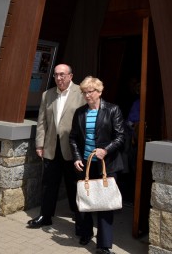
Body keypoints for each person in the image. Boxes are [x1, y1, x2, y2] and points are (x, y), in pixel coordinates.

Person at [69, 76, 125, 254]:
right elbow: (73, 138)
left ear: (99, 92)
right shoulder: (80, 112)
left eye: (90, 92)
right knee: (86, 201)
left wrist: (106, 150)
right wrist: (77, 157)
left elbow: (120, 136)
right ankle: (85, 233)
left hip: (106, 165)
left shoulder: (112, 110)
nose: (86, 96)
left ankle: (104, 245)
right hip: (85, 165)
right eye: (84, 92)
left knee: (105, 205)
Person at [27, 64, 85, 230]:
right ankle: (45, 216)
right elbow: (41, 122)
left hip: (73, 148)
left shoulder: (80, 93)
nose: (59, 78)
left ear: (70, 76)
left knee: (74, 183)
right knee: (48, 183)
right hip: (51, 147)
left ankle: (79, 216)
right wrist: (39, 144)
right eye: (56, 75)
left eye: (62, 75)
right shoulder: (48, 94)